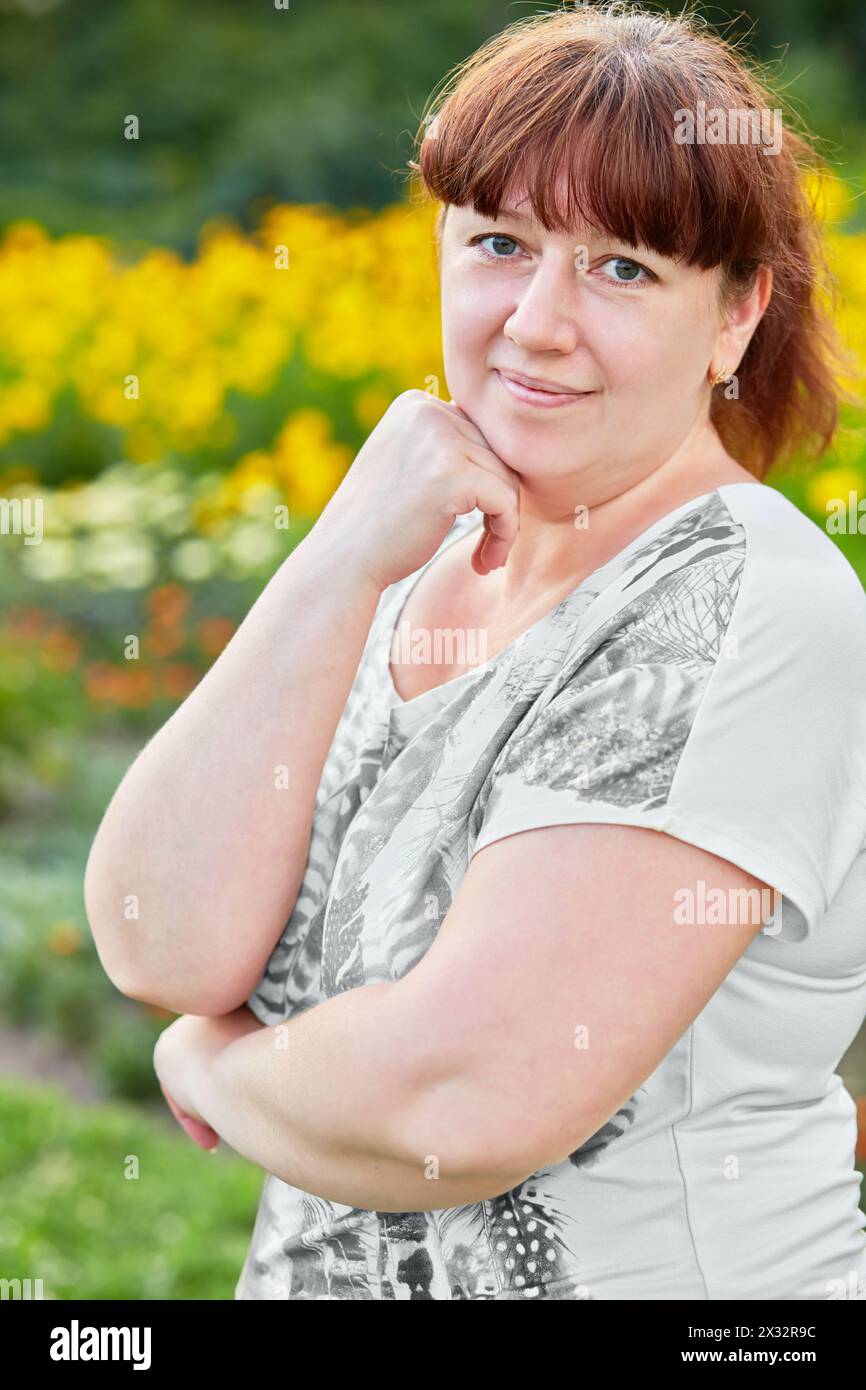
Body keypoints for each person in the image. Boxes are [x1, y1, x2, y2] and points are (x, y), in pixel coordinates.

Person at [84, 3, 866, 1300]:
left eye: (622, 267)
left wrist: (211, 1066)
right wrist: (336, 557)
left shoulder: (748, 606)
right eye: (500, 244)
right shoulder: (414, 567)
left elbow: (470, 1089)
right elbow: (159, 941)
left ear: (733, 316)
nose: (537, 323)